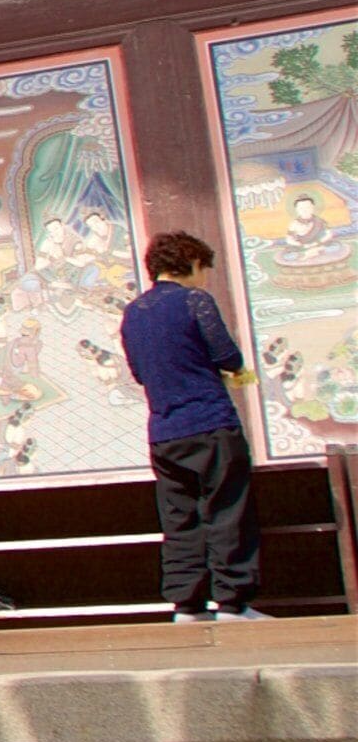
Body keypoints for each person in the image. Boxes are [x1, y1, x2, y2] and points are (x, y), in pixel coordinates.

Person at [119, 230, 264, 620]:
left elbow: (138, 373)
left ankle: (187, 605)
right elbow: (226, 355)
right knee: (226, 510)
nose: (204, 278)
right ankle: (233, 604)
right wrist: (239, 374)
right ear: (192, 264)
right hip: (211, 423)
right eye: (203, 269)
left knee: (179, 518)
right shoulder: (195, 300)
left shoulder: (133, 312)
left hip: (164, 433)